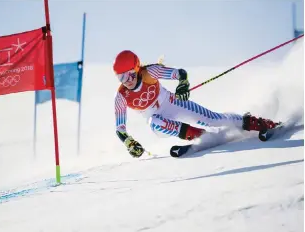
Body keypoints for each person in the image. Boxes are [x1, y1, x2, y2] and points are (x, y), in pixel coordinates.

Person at [113, 50, 279, 158]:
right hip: (159, 120)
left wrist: (182, 83)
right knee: (154, 123)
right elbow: (120, 128)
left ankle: (257, 123)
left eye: (129, 75)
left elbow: (180, 73)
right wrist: (129, 143)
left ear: (136, 68)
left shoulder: (150, 72)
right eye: (121, 77)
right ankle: (200, 136)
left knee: (214, 119)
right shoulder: (121, 96)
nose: (126, 81)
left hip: (172, 103)